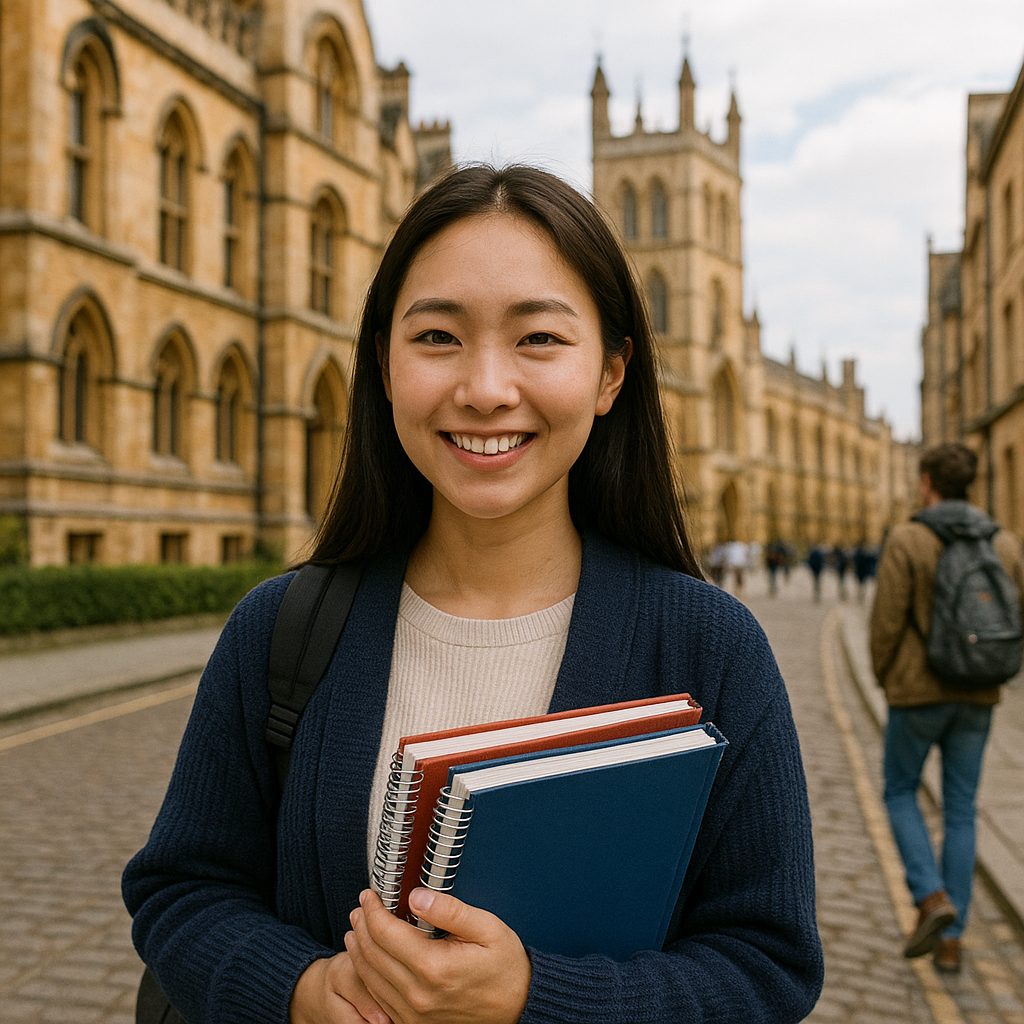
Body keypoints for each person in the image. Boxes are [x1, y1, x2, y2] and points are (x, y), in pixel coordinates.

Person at [123, 165, 823, 1024]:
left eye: (538, 339)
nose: (486, 388)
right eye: (439, 338)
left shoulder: (711, 648)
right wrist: (302, 992)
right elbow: (183, 890)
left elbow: (767, 965)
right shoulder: (279, 630)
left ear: (610, 375)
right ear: (383, 364)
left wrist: (537, 998)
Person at [869, 442, 1024, 973]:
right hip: (979, 694)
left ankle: (931, 897)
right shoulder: (1003, 542)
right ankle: (953, 938)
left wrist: (885, 677)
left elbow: (886, 623)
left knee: (899, 791)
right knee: (961, 809)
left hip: (917, 693)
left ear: (928, 483)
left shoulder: (909, 537)